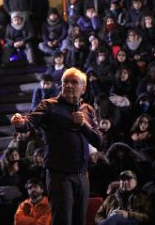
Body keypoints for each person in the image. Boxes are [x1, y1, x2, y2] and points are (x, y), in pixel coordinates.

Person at [11, 67, 101, 225]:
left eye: (74, 82)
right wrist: (20, 123)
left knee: (80, 221)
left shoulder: (87, 110)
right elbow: (29, 121)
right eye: (65, 81)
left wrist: (83, 125)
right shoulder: (48, 106)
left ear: (84, 87)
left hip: (82, 176)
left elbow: (99, 141)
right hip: (60, 176)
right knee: (62, 221)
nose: (69, 85)